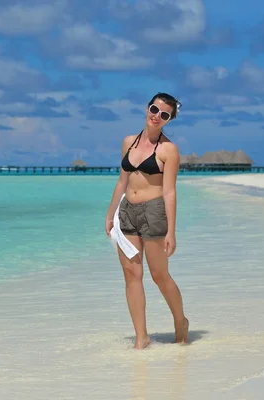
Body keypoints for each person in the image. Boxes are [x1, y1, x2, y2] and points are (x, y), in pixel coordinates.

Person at [105, 92, 188, 350]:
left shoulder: (168, 150)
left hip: (154, 213)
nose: (157, 116)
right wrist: (110, 214)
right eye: (154, 109)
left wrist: (171, 232)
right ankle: (141, 337)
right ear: (147, 108)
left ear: (169, 120)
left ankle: (180, 321)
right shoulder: (128, 142)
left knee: (159, 275)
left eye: (164, 115)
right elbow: (122, 181)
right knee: (131, 274)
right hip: (127, 211)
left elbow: (170, 191)